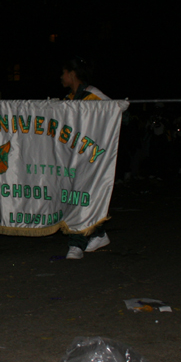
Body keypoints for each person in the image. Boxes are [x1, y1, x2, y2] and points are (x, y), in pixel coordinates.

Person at [60, 56, 112, 259]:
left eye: (63, 73)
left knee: (79, 198)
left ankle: (76, 244)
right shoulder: (68, 99)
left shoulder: (94, 95)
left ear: (72, 74)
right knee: (76, 198)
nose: (61, 77)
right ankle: (98, 234)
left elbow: (118, 114)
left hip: (91, 159)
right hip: (72, 159)